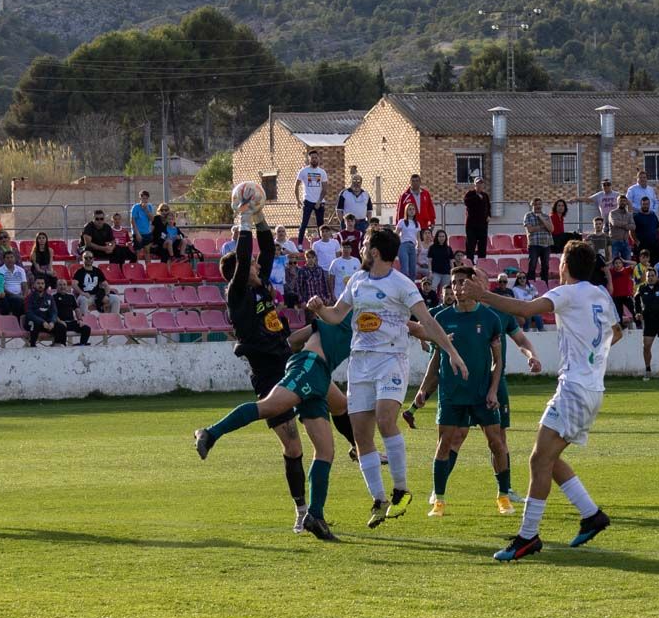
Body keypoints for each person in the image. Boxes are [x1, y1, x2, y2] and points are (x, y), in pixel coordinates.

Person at [194, 195, 358, 534]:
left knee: (337, 404)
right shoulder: (237, 293)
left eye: (255, 267)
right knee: (293, 444)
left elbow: (266, 251)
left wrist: (260, 216)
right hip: (268, 371)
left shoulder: (260, 288)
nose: (257, 267)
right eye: (251, 267)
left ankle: (359, 451)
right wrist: (242, 219)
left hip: (290, 362)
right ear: (238, 274)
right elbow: (243, 258)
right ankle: (302, 511)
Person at [464, 240, 621, 561]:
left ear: (565, 264)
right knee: (549, 457)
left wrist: (482, 295)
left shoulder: (568, 293)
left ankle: (527, 536)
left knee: (539, 460)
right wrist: (594, 355)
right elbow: (616, 332)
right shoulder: (600, 294)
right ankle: (591, 515)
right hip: (590, 388)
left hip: (575, 388)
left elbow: (524, 310)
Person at [308, 229, 467, 528]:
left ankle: (401, 488)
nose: (362, 248)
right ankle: (380, 499)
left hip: (391, 360)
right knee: (361, 435)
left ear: (376, 251)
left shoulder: (401, 284)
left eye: (366, 244)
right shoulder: (356, 280)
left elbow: (427, 321)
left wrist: (451, 352)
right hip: (360, 363)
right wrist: (319, 308)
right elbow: (336, 315)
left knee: (384, 419)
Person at [196, 313, 359, 543]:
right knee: (270, 407)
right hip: (310, 367)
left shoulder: (336, 314)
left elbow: (292, 340)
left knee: (325, 451)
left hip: (319, 374)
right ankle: (210, 433)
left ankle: (315, 516)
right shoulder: (345, 313)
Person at [412, 266, 511, 517]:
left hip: (481, 393)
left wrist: (492, 391)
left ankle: (503, 496)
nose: (457, 287)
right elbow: (436, 359)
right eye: (454, 283)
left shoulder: (490, 319)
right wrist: (424, 390)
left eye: (462, 282)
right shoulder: (442, 319)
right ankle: (439, 501)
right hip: (451, 393)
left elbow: (498, 361)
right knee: (444, 443)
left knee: (496, 443)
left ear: (474, 284)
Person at [295, 150, 328, 245]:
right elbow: (296, 186)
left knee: (320, 224)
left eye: (316, 158)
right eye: (312, 158)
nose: (314, 159)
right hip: (308, 200)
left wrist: (319, 201)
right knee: (304, 223)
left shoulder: (322, 172)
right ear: (309, 159)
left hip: (319, 202)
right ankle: (300, 244)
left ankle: (323, 243)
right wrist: (297, 200)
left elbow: (325, 189)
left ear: (318, 159)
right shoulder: (303, 171)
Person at [23, 276, 67, 346]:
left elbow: (54, 312)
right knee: (34, 324)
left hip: (47, 323)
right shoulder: (29, 297)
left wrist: (52, 322)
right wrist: (42, 322)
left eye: (42, 283)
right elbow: (29, 313)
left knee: (61, 327)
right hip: (33, 322)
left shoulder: (49, 297)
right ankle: (32, 345)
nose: (40, 285)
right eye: (38, 283)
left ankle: (58, 346)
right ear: (34, 284)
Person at [53, 278, 92, 345]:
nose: (62, 287)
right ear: (56, 287)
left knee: (86, 328)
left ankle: (82, 345)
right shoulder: (53, 297)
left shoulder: (71, 297)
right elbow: (52, 312)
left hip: (71, 322)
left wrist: (80, 319)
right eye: (60, 285)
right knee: (61, 327)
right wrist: (59, 321)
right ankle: (62, 346)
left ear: (67, 286)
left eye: (64, 285)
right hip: (59, 323)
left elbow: (76, 309)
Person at [524, 197, 554, 283]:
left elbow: (551, 229)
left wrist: (541, 219)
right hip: (534, 244)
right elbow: (530, 230)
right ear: (532, 205)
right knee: (532, 264)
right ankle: (530, 283)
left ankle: (544, 283)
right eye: (536, 204)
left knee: (546, 266)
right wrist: (542, 226)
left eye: (539, 204)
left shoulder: (546, 216)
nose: (538, 206)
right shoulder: (528, 215)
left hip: (546, 244)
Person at [463, 176, 490, 261]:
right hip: (471, 225)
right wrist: (477, 197)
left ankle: (482, 262)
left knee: (482, 245)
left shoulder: (485, 195)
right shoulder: (470, 194)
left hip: (482, 225)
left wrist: (489, 215)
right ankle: (470, 262)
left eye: (481, 183)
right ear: (475, 184)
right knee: (471, 245)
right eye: (478, 183)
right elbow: (466, 202)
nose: (479, 185)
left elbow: (488, 207)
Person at [395, 202, 422, 279]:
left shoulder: (417, 223)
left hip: (412, 246)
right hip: (403, 246)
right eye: (409, 209)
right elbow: (396, 234)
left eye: (413, 209)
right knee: (405, 269)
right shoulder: (402, 222)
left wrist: (419, 246)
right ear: (406, 211)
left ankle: (411, 287)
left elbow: (418, 237)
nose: (412, 211)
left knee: (413, 269)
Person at [0, 250, 28, 317]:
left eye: (11, 257)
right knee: (18, 300)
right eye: (7, 258)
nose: (10, 259)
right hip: (7, 295)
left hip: (20, 295)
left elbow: (24, 285)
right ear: (4, 260)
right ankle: (16, 320)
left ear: (15, 259)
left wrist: (25, 295)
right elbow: (2, 287)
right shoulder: (0, 271)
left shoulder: (21, 270)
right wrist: (15, 295)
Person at [130, 190, 155, 265]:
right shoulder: (135, 207)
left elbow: (152, 219)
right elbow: (133, 221)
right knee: (137, 252)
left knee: (147, 251)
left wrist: (146, 210)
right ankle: (136, 269)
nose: (144, 200)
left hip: (147, 233)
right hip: (138, 232)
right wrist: (137, 233)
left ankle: (148, 269)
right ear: (140, 198)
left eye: (146, 198)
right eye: (143, 198)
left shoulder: (150, 206)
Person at [607, 195, 635, 261]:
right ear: (617, 202)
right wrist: (627, 224)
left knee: (628, 263)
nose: (623, 202)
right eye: (621, 201)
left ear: (626, 202)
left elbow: (633, 226)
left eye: (624, 201)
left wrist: (621, 224)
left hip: (626, 242)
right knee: (613, 262)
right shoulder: (612, 213)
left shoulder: (629, 214)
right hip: (614, 241)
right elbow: (615, 223)